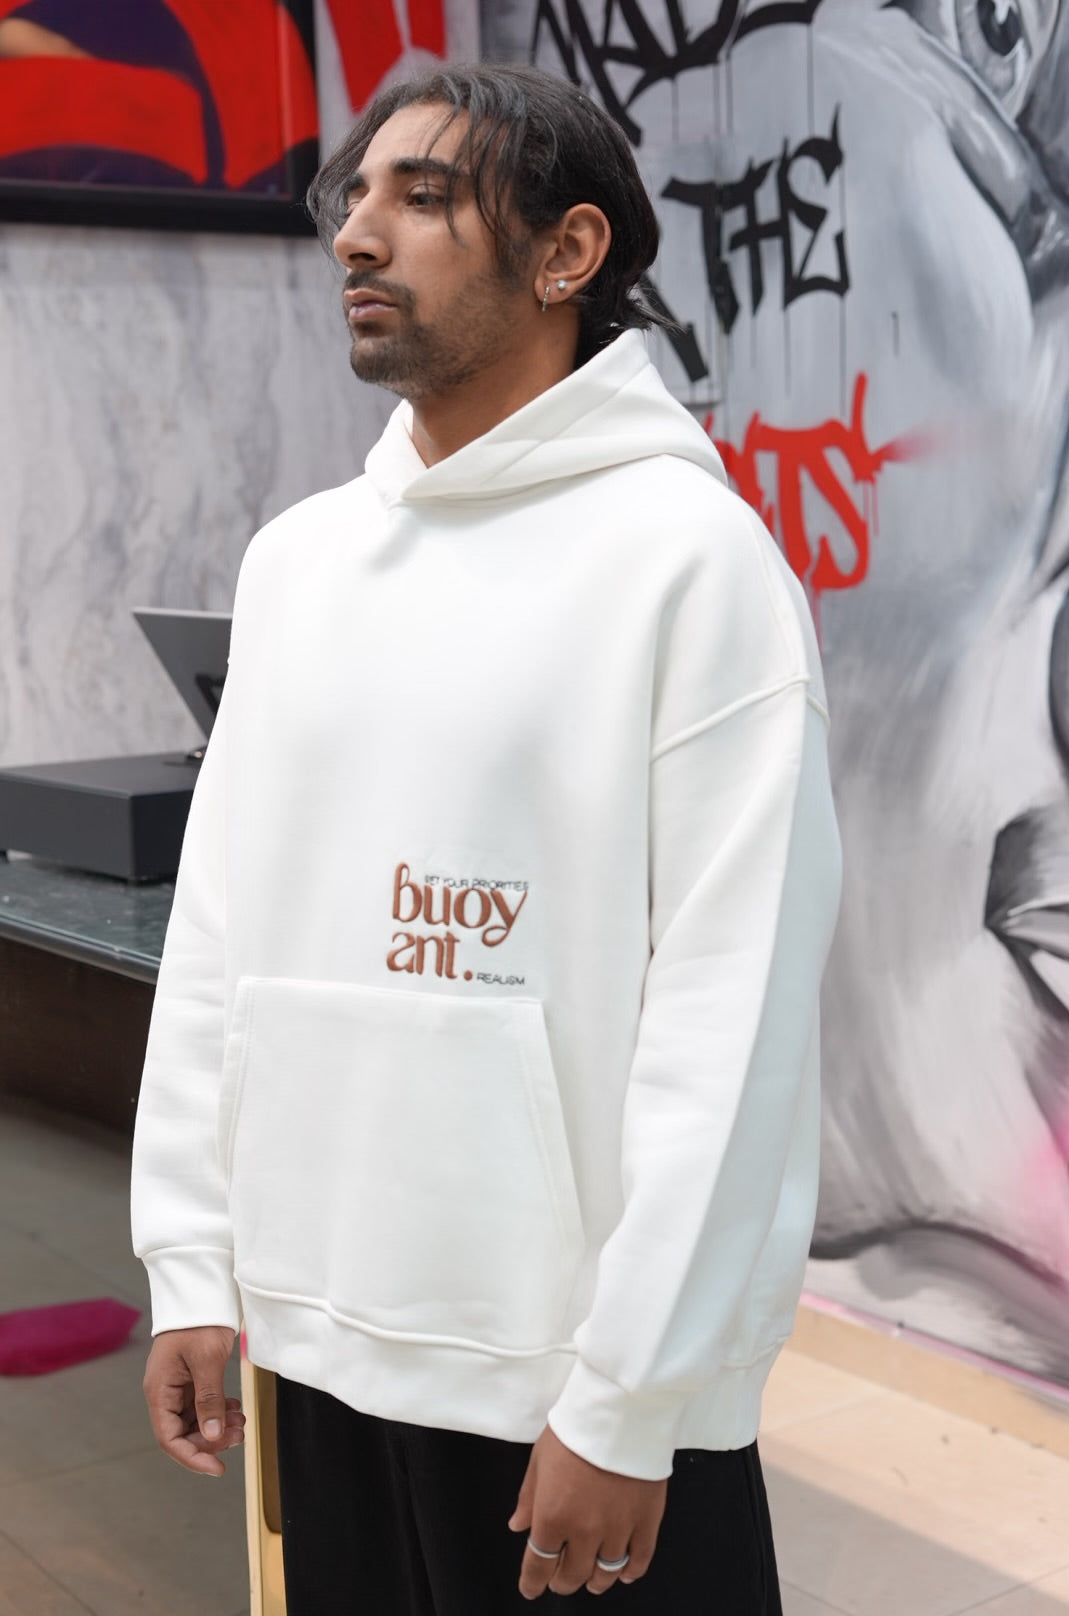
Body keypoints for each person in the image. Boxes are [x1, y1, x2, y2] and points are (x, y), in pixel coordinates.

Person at [132, 62, 841, 1613]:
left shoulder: (692, 566)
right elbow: (222, 931)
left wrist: (633, 1396)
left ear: (567, 251)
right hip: (321, 1339)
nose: (356, 234)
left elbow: (732, 1025)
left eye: (424, 196)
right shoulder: (301, 562)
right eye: (354, 199)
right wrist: (193, 1257)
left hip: (563, 1382)